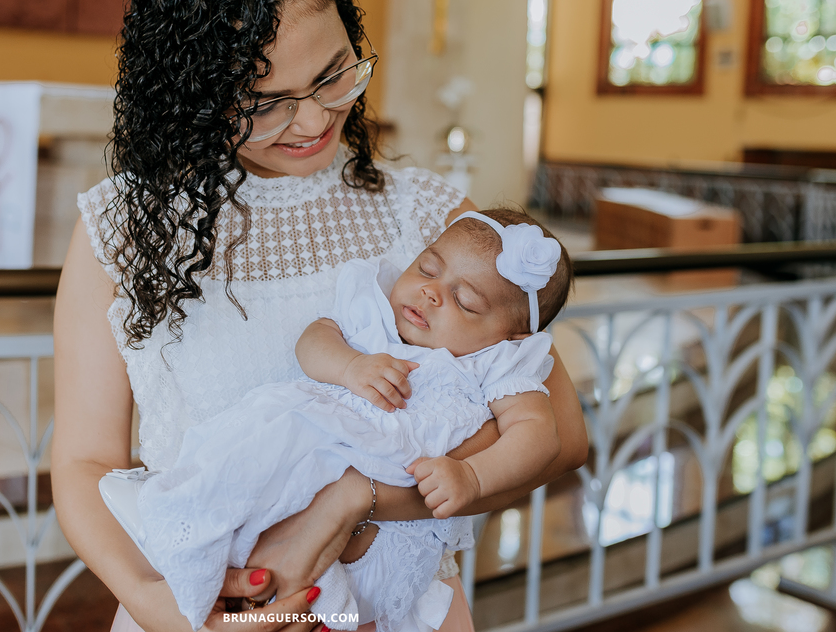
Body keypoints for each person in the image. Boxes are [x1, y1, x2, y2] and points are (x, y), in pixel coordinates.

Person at [51, 0, 588, 632]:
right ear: (194, 94)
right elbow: (82, 463)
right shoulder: (123, 227)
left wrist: (352, 504)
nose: (313, 120)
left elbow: (560, 433)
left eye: (334, 74)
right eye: (264, 99)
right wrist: (165, 606)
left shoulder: (432, 223)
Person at [101, 209, 572, 632]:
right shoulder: (375, 311)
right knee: (254, 463)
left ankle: (194, 532)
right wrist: (349, 365)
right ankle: (178, 519)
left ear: (511, 336)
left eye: (465, 302)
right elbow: (313, 339)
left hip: (394, 507)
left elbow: (541, 435)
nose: (431, 291)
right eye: (427, 268)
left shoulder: (499, 364)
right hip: (316, 447)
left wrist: (473, 474)